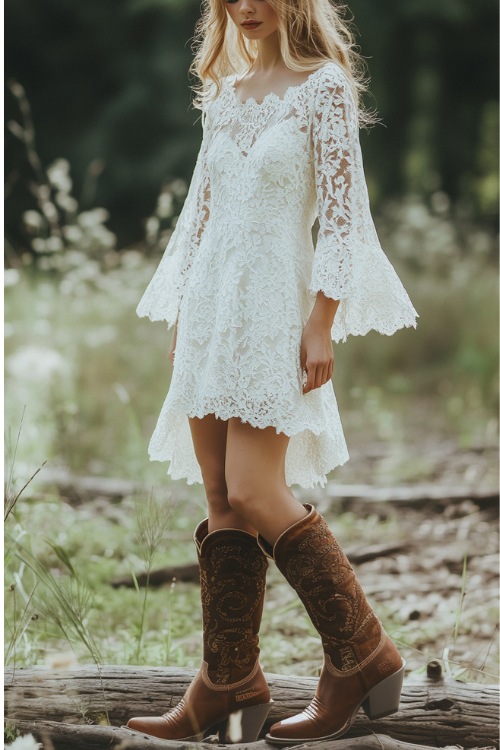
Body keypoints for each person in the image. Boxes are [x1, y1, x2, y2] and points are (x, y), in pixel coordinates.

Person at [126, 0, 418, 744]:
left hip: (272, 318)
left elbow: (346, 218)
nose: (245, 7)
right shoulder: (221, 94)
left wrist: (321, 320)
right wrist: (186, 315)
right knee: (222, 496)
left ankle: (364, 653)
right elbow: (200, 213)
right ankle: (229, 682)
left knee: (259, 490)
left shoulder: (324, 87)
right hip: (210, 317)